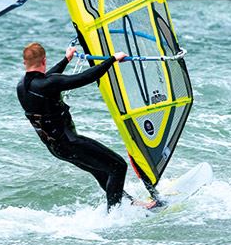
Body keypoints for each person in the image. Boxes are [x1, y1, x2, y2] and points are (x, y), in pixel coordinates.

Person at [17, 42, 154, 210]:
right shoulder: (48, 83)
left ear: (25, 62)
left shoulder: (22, 86)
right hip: (70, 142)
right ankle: (115, 215)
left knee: (102, 171)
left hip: (56, 148)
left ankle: (129, 204)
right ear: (44, 60)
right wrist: (112, 60)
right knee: (118, 166)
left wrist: (66, 60)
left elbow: (46, 79)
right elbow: (84, 78)